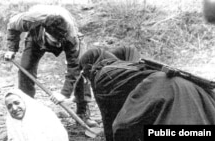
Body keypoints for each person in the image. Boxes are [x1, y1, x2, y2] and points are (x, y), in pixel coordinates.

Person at [75, 47, 215, 141]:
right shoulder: (126, 67)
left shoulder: (101, 75)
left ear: (88, 67)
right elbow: (130, 50)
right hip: (187, 86)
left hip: (163, 88)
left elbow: (109, 117)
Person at [4, 5, 97, 127]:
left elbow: (74, 67)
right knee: (25, 70)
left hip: (69, 37)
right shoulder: (30, 21)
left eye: (60, 42)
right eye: (55, 42)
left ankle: (82, 113)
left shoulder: (71, 37)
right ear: (45, 32)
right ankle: (28, 113)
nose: (58, 46)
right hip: (36, 38)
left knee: (82, 70)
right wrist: (12, 49)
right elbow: (11, 25)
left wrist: (64, 94)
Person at [5, 88, 69, 141]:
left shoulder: (42, 116)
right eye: (9, 106)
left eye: (17, 103)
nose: (14, 108)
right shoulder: (12, 123)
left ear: (25, 102)